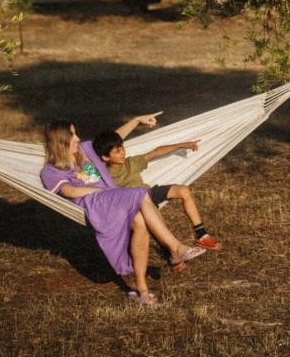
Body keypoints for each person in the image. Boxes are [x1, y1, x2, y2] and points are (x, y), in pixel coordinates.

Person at [40, 119, 205, 306]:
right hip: (94, 205)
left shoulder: (85, 149)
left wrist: (136, 121)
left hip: (114, 199)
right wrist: (100, 192)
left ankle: (142, 289)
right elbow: (69, 191)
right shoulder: (50, 170)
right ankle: (175, 248)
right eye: (72, 135)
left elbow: (113, 139)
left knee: (140, 222)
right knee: (141, 193)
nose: (77, 138)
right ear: (60, 140)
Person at [91, 128, 222, 251]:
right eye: (117, 152)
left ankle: (201, 235)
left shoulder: (130, 163)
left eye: (122, 148)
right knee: (157, 219)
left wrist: (182, 145)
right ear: (105, 157)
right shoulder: (102, 176)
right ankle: (171, 253)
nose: (123, 153)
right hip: (134, 204)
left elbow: (155, 153)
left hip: (148, 193)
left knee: (183, 190)